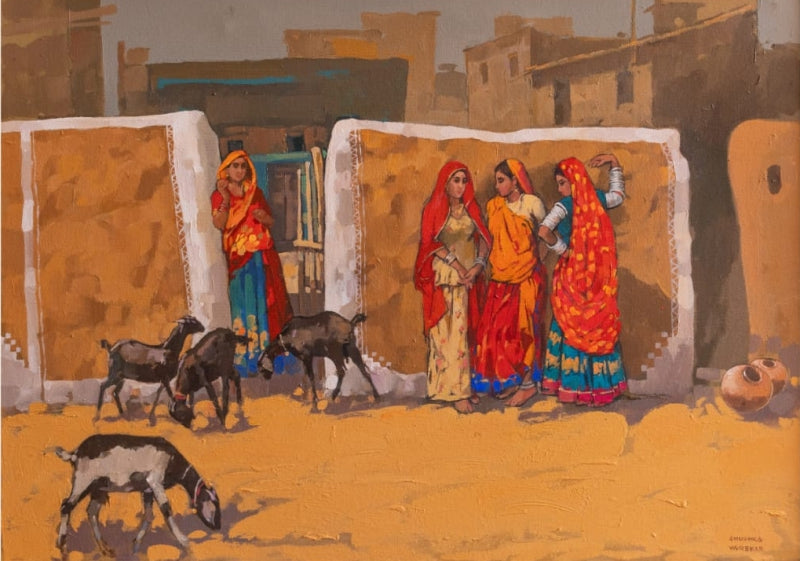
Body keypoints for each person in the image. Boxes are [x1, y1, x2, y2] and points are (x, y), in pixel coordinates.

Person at [538, 153, 628, 406]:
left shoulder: (570, 205)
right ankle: (588, 388)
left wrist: (564, 250)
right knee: (583, 322)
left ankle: (581, 388)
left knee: (581, 323)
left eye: (563, 183)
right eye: (558, 184)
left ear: (575, 180)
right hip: (584, 277)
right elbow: (617, 195)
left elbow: (544, 231)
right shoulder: (587, 201)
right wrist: (563, 250)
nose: (560, 189)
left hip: (589, 276)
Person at [414, 161, 491, 414]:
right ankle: (452, 392)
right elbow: (430, 244)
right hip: (445, 277)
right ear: (445, 183)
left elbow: (483, 239)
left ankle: (462, 387)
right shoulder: (434, 208)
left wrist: (477, 266)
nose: (460, 186)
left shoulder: (471, 208)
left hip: (469, 278)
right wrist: (458, 268)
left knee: (464, 333)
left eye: (464, 181)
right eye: (456, 180)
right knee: (446, 335)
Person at [211, 149, 293, 376]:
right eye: (235, 166)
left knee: (264, 303)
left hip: (260, 255)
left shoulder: (254, 192)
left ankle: (266, 354)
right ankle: (244, 358)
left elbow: (271, 220)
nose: (239, 170)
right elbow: (219, 223)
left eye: (243, 166)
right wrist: (225, 198)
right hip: (238, 258)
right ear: (227, 169)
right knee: (242, 304)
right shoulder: (220, 194)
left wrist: (262, 217)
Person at [472, 159, 548, 407]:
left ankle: (528, 386)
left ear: (515, 180)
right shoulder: (494, 206)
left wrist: (534, 264)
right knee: (498, 334)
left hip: (526, 279)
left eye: (501, 180)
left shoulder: (532, 203)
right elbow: (488, 240)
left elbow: (546, 237)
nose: (497, 186)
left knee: (525, 332)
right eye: (496, 181)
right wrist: (480, 265)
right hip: (500, 280)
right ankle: (510, 382)